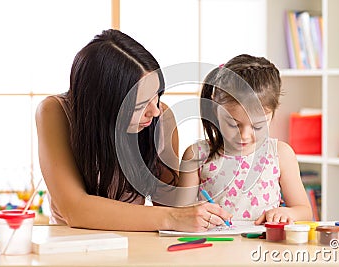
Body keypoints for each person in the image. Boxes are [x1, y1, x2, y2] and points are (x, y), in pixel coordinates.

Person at [35, 29, 231, 232]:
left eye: (157, 96)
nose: (154, 111)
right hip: (69, 246)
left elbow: (169, 207)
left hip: (133, 243)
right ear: (103, 104)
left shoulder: (161, 118)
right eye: (139, 106)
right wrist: (173, 216)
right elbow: (75, 209)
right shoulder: (55, 112)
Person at [177, 54, 312, 225]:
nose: (245, 135)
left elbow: (304, 211)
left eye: (258, 126)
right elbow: (180, 215)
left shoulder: (280, 154)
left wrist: (285, 213)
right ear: (215, 110)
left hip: (264, 248)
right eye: (233, 124)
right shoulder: (197, 155)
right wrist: (195, 213)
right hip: (213, 247)